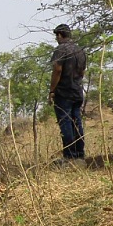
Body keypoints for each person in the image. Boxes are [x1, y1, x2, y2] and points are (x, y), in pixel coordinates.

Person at [48, 24, 87, 166]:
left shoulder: (60, 49)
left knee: (65, 122)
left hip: (63, 92)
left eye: (56, 35)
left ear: (59, 35)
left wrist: (52, 90)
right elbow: (82, 72)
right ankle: (79, 154)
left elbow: (57, 70)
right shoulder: (80, 50)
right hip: (77, 91)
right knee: (77, 122)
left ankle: (69, 156)